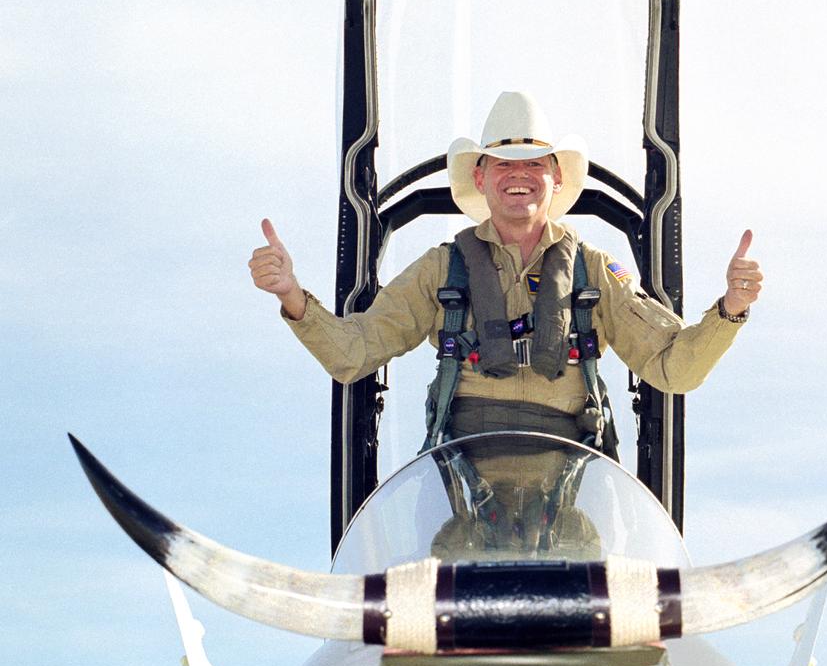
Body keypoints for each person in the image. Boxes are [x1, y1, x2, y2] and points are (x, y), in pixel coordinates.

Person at [249, 91, 762, 454]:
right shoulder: (441, 269)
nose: (519, 174)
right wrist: (291, 294)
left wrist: (730, 311)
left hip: (573, 486)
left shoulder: (596, 271)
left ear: (555, 177)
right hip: (463, 486)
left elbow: (676, 368)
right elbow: (350, 354)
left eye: (535, 163)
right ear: (480, 176)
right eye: (503, 163)